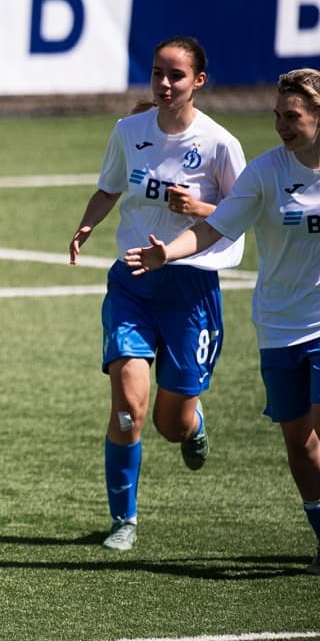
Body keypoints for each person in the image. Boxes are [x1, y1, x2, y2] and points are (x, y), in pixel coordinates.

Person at [126, 68, 320, 574]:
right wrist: (169, 252)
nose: (281, 125)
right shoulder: (266, 172)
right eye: (277, 115)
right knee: (301, 448)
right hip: (278, 326)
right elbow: (215, 229)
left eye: (293, 117)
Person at [69, 36, 247, 552]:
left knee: (170, 424)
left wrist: (199, 209)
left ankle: (191, 423)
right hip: (133, 282)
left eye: (176, 76)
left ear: (199, 81)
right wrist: (86, 225)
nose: (164, 85)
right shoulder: (129, 131)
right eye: (157, 75)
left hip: (190, 291)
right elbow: (110, 187)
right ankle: (123, 520)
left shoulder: (219, 144)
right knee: (128, 407)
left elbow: (243, 216)